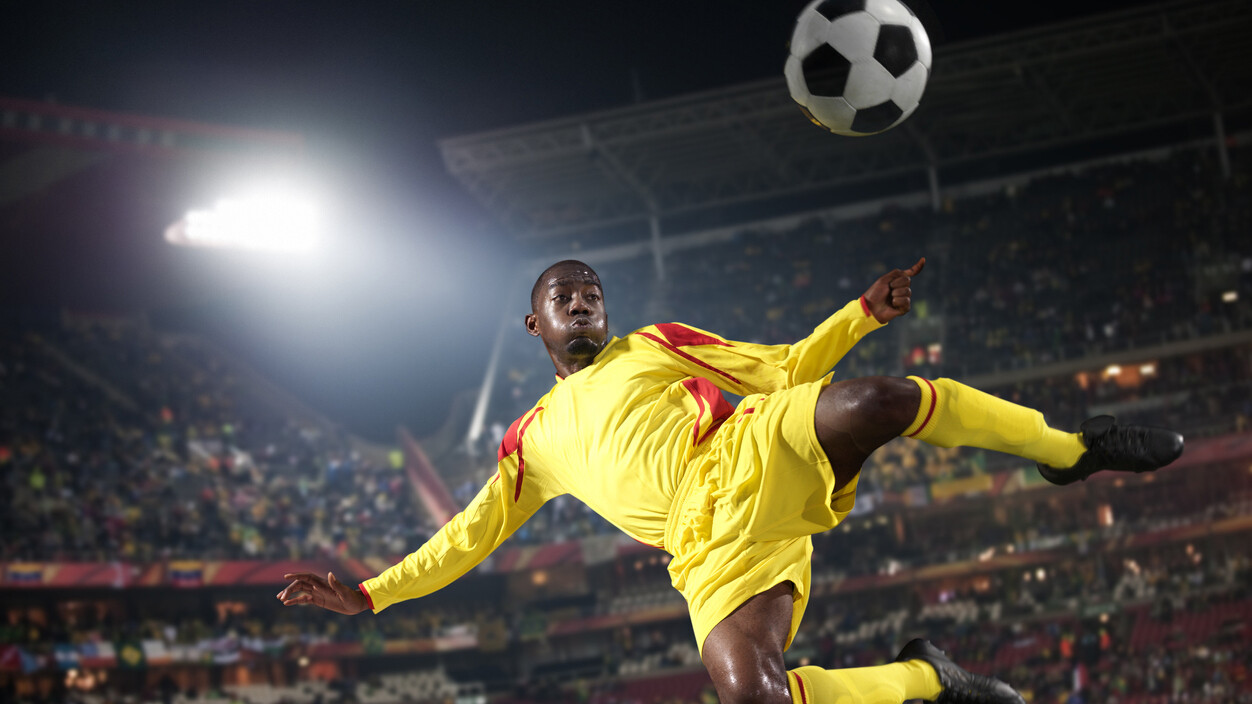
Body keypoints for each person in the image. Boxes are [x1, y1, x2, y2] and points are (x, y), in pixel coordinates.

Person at [278, 259, 1183, 704]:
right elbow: (465, 537)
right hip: (707, 549)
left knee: (881, 399)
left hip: (750, 450)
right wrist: (369, 593)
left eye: (592, 289)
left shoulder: (655, 344)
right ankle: (931, 682)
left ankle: (1068, 449)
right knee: (751, 693)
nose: (584, 299)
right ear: (534, 322)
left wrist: (862, 314)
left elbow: (786, 365)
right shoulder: (531, 441)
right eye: (566, 294)